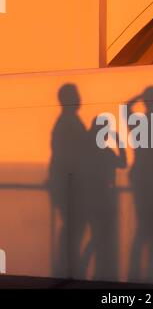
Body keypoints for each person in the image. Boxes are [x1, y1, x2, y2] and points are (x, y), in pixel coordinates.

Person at [126, 86, 153, 283]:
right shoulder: (151, 125)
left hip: (148, 179)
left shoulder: (144, 124)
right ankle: (146, 272)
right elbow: (125, 108)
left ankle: (140, 272)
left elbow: (126, 108)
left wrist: (140, 96)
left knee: (147, 227)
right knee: (152, 228)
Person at [48, 84, 87, 277]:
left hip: (66, 185)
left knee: (72, 228)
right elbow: (71, 156)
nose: (80, 98)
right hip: (69, 187)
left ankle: (67, 267)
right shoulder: (68, 123)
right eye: (77, 95)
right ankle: (68, 268)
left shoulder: (67, 122)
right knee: (73, 227)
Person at [80, 117, 127, 280]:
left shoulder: (87, 152)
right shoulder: (106, 153)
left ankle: (89, 267)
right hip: (104, 199)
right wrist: (120, 143)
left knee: (98, 234)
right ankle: (88, 266)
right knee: (101, 235)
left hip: (91, 199)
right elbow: (123, 163)